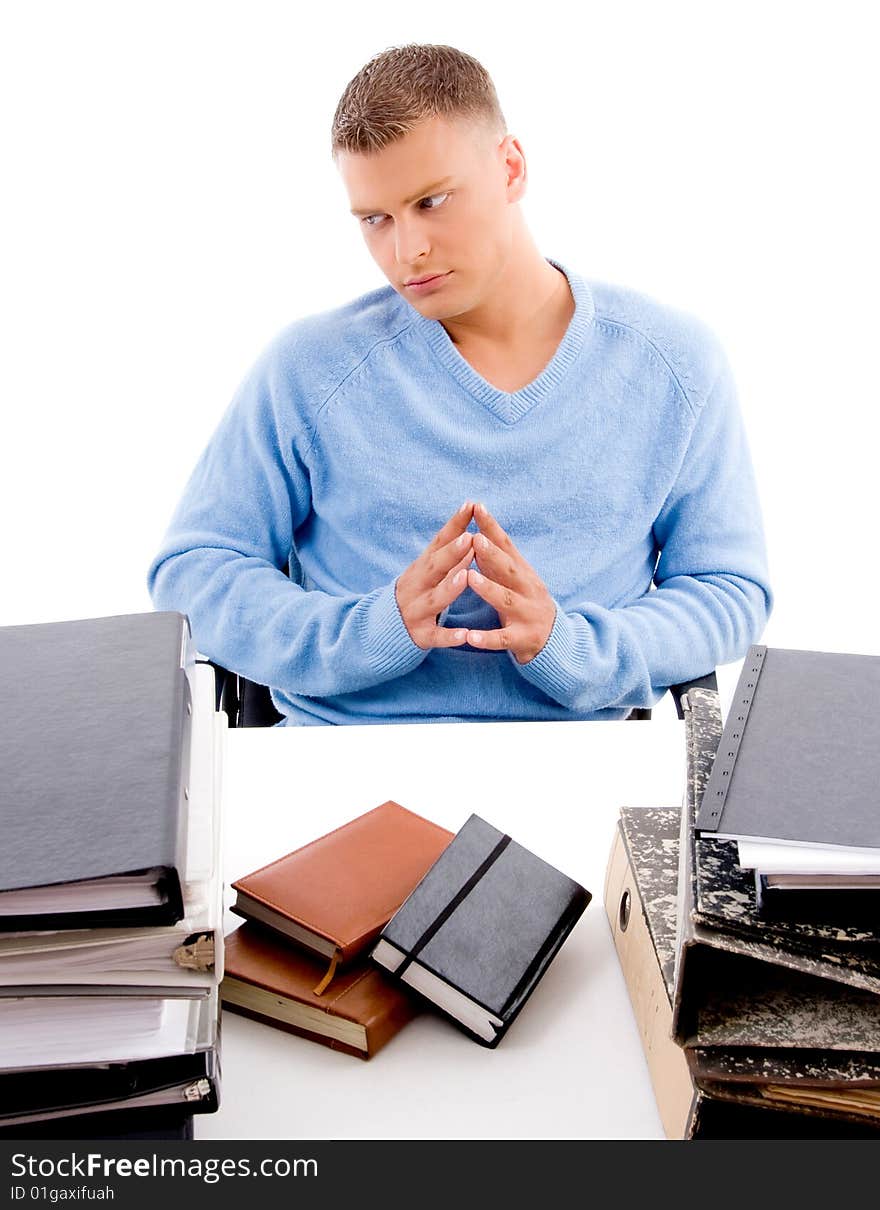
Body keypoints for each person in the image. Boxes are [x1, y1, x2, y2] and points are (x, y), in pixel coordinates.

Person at [147, 43, 773, 726]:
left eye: (432, 201)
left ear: (510, 168)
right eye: (375, 219)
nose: (406, 249)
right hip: (341, 758)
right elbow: (194, 569)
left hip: (579, 764)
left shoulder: (673, 365)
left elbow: (726, 589)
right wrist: (368, 631)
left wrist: (575, 648)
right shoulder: (310, 368)